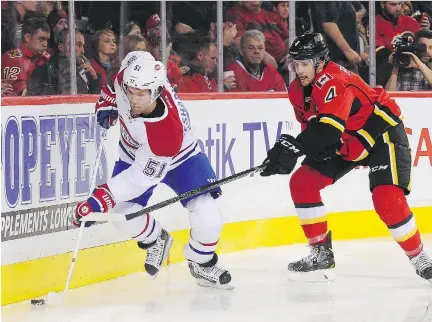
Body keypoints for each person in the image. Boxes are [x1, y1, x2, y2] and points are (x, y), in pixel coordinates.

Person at [260, 32, 432, 283]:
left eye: (304, 63)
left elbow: (329, 128)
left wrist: (295, 147)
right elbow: (314, 128)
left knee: (386, 199)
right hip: (345, 138)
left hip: (379, 130)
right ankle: (320, 251)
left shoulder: (334, 79)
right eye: (295, 63)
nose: (298, 70)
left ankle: (418, 256)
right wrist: (294, 151)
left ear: (319, 62)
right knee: (302, 183)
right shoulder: (297, 89)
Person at [73, 51, 233, 289]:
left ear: (156, 92)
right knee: (121, 215)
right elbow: (126, 68)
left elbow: (140, 177)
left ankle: (202, 263)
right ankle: (155, 239)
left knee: (208, 216)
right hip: (134, 152)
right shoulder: (129, 76)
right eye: (130, 92)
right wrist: (108, 98)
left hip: (181, 156)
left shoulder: (167, 132)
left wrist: (101, 198)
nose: (133, 99)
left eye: (141, 94)